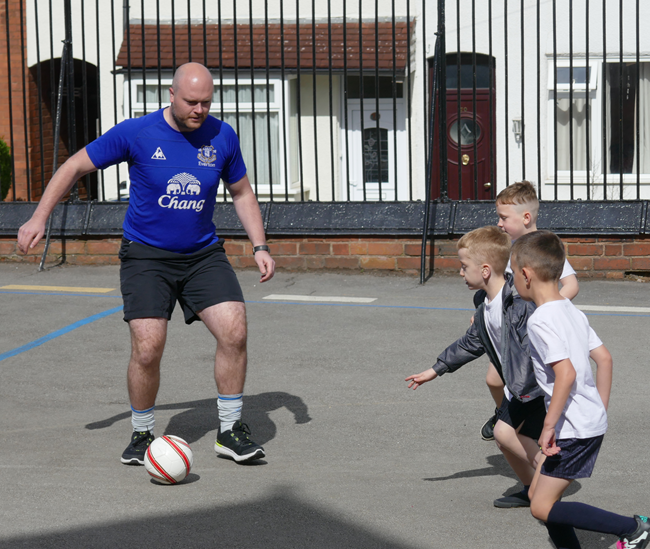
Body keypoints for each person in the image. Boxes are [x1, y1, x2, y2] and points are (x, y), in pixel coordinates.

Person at [17, 62, 275, 465]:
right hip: (146, 255)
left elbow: (241, 192)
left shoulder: (222, 135)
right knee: (148, 348)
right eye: (192, 101)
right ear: (170, 95)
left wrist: (259, 245)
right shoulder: (136, 133)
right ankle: (141, 432)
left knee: (235, 330)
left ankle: (229, 431)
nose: (200, 110)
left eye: (207, 102)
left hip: (202, 254)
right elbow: (73, 166)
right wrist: (38, 217)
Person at [510, 230, 649, 549]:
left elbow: (566, 374)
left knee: (541, 506)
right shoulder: (572, 311)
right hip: (583, 423)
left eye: (513, 273)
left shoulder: (541, 320)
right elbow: (605, 359)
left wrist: (547, 426)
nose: (514, 280)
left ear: (526, 275)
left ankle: (633, 529)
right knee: (538, 497)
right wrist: (596, 409)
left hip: (570, 430)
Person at [405, 225, 547, 508]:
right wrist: (436, 369)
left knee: (505, 433)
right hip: (516, 387)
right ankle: (532, 488)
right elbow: (471, 343)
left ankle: (550, 480)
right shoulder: (485, 306)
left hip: (531, 387)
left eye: (463, 266)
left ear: (484, 270)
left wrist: (537, 385)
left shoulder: (517, 304)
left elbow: (536, 348)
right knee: (504, 439)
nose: (460, 272)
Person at [480, 181, 580, 443]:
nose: (499, 224)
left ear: (526, 217)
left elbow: (571, 285)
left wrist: (545, 307)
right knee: (493, 379)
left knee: (534, 382)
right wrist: (485, 314)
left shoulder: (543, 247)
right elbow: (500, 290)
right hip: (511, 330)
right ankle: (503, 412)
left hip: (534, 331)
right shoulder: (508, 249)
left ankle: (538, 423)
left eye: (503, 218)